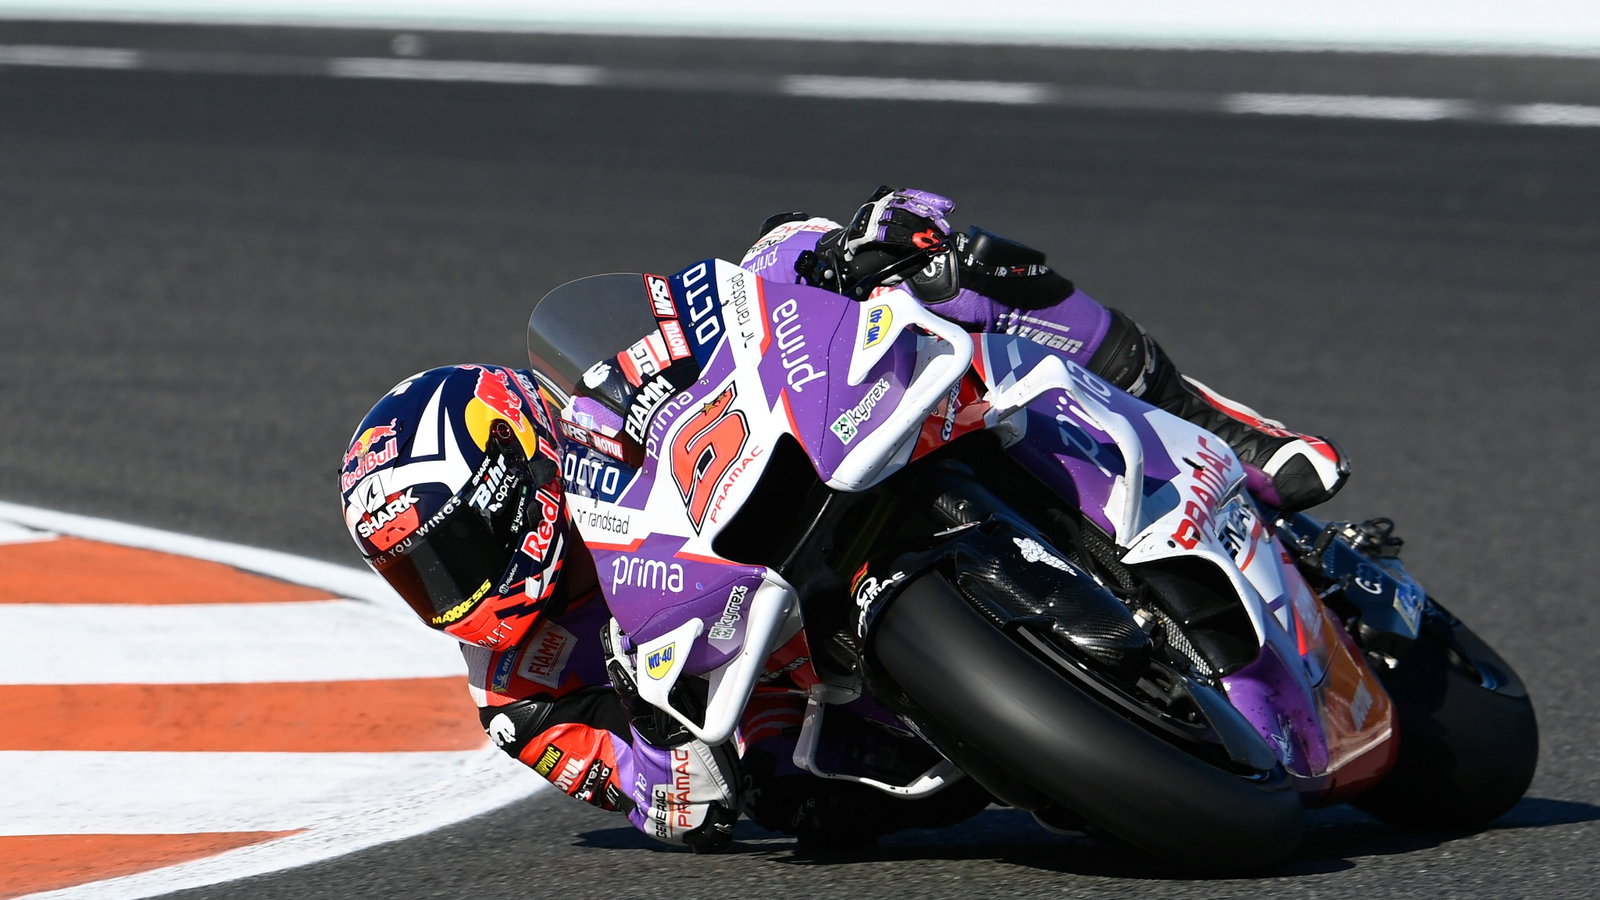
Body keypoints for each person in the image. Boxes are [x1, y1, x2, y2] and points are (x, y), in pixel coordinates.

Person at [338, 187, 1349, 854]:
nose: (453, 593)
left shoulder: (596, 407)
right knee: (795, 810)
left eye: (451, 554)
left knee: (932, 265)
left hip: (808, 470)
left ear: (515, 475)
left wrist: (839, 254)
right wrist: (663, 774)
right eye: (417, 576)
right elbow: (627, 786)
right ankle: (1048, 738)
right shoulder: (520, 689)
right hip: (811, 702)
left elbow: (716, 304)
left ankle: (1217, 427)